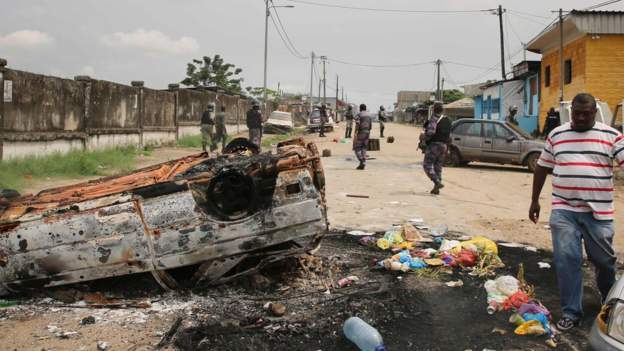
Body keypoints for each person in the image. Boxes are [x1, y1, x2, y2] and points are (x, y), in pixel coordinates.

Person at [529, 93, 624, 331]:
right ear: (571, 111)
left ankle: (608, 299)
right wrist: (534, 201)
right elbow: (542, 167)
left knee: (605, 262)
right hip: (564, 210)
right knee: (567, 260)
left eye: (586, 113)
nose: (580, 117)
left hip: (598, 213)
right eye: (576, 113)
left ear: (595, 112)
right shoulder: (557, 134)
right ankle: (571, 312)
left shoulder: (612, 135)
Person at [422, 101, 451, 195]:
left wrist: (424, 139)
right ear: (442, 109)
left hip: (434, 145)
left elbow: (430, 132)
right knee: (438, 167)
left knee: (427, 165)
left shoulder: (434, 119)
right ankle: (436, 189)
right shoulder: (447, 120)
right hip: (444, 146)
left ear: (434, 109)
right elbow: (449, 135)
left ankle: (437, 182)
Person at [353, 104, 372, 170]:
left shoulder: (359, 114)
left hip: (361, 132)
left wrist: (355, 132)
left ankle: (361, 160)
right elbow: (370, 126)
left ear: (360, 108)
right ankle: (362, 163)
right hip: (367, 132)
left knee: (357, 148)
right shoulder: (369, 115)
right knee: (364, 147)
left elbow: (357, 123)